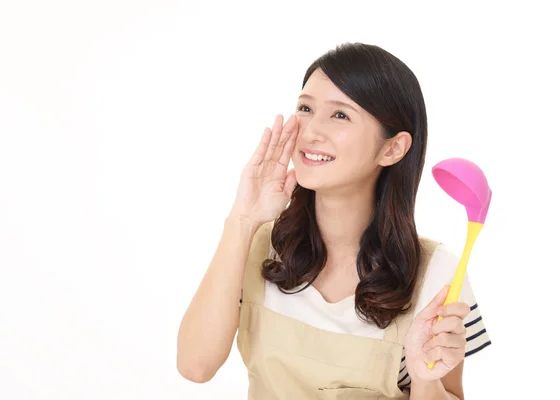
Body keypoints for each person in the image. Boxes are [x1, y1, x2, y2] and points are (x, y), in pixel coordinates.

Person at [176, 42, 491, 399]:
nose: (310, 131)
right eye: (306, 108)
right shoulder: (260, 244)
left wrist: (424, 378)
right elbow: (194, 366)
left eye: (340, 115)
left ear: (393, 148)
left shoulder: (437, 275)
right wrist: (242, 220)